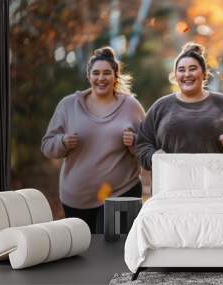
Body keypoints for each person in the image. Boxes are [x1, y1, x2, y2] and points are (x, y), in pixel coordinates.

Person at [41, 47, 145, 233]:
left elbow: (147, 148)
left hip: (121, 192)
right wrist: (63, 142)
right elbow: (47, 146)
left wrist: (134, 142)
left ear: (115, 76)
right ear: (88, 76)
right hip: (76, 198)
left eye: (107, 73)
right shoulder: (69, 105)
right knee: (84, 253)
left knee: (114, 253)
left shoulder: (130, 106)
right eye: (96, 73)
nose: (101, 78)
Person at [136, 42, 223, 170]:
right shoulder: (160, 107)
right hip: (171, 184)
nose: (187, 74)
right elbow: (142, 144)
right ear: (175, 76)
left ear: (204, 74)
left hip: (216, 183)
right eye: (181, 70)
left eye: (192, 69)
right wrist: (154, 157)